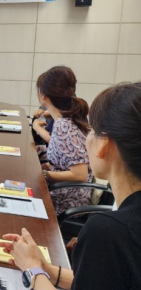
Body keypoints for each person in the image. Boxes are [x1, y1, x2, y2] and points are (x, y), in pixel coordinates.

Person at [0, 82, 141, 290]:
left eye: (93, 130)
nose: (87, 137)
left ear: (105, 145)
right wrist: (46, 268)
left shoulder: (109, 232)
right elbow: (107, 287)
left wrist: (33, 272)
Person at [36, 66, 93, 215]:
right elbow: (62, 161)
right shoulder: (66, 118)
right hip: (63, 191)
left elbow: (80, 175)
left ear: (44, 96)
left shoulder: (64, 125)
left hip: (66, 200)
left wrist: (44, 174)